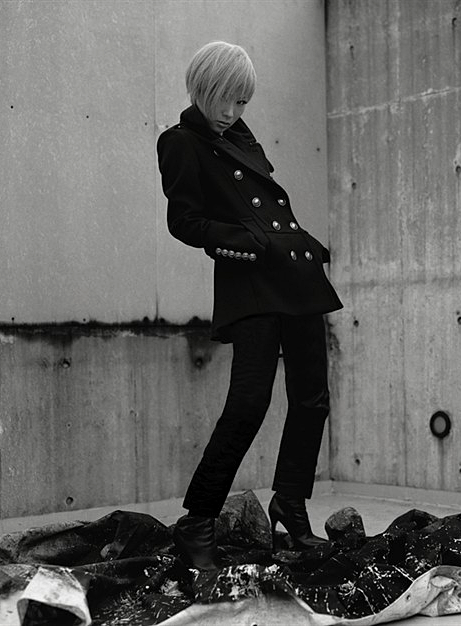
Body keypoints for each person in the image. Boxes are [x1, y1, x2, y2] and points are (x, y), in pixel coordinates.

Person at [156, 41, 343, 570]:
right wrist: (246, 242)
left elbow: (267, 204)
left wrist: (295, 242)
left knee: (312, 399)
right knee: (248, 403)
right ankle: (198, 521)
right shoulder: (180, 142)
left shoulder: (240, 135)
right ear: (205, 89)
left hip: (296, 275)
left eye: (242, 102)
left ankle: (291, 503)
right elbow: (184, 221)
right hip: (253, 280)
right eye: (227, 99)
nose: (233, 112)